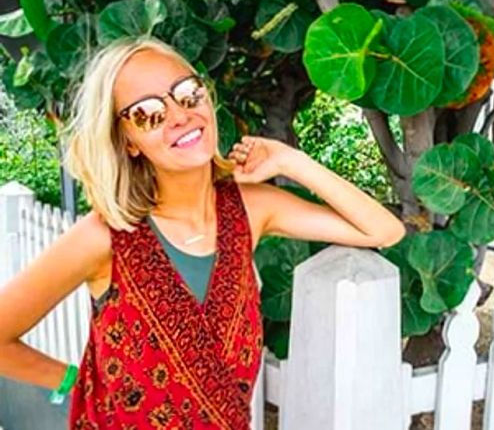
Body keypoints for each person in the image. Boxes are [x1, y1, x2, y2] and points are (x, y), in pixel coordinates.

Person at [0, 36, 406, 429]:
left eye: (189, 93)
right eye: (148, 113)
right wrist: (74, 381)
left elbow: (383, 230)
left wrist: (290, 160)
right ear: (129, 142)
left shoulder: (249, 209)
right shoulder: (107, 236)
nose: (179, 115)